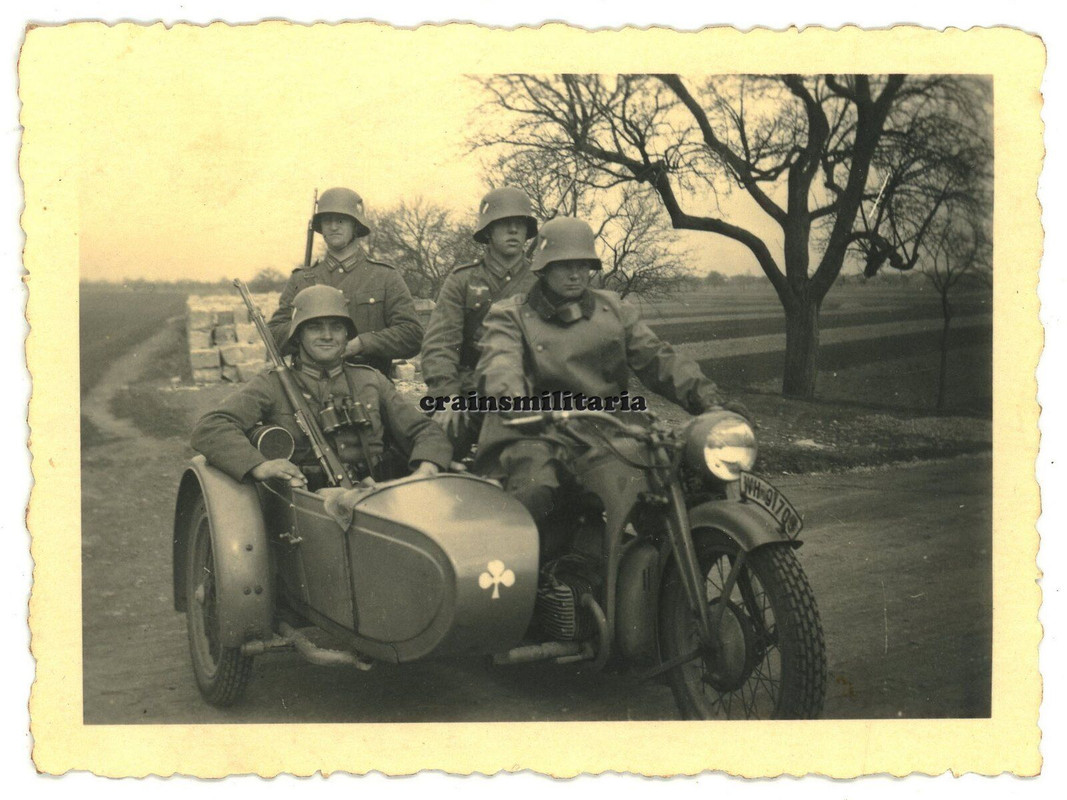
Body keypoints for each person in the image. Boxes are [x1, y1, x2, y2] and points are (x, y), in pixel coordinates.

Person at [474, 216, 733, 540]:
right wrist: (514, 402)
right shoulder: (510, 314)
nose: (575, 273)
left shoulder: (613, 308)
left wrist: (709, 399)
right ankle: (537, 577)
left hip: (608, 425)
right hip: (537, 429)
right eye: (564, 264)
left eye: (583, 264)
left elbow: (657, 357)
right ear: (543, 268)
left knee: (673, 478)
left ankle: (665, 564)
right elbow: (502, 363)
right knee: (536, 489)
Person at [194, 285, 451, 489]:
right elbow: (211, 427)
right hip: (308, 505)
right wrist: (259, 466)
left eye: (336, 327)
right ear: (298, 336)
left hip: (376, 498)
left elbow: (424, 430)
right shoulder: (272, 384)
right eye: (315, 327)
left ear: (346, 335)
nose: (327, 335)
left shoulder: (371, 380)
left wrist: (428, 465)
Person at [420, 186, 539, 457]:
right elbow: (440, 344)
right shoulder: (462, 280)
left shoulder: (541, 282)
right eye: (504, 224)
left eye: (519, 224)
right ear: (488, 232)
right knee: (437, 445)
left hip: (526, 391)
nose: (513, 231)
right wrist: (447, 396)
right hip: (468, 390)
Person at [267, 186, 423, 377]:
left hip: (371, 385)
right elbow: (274, 337)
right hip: (310, 389)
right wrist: (308, 335)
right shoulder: (302, 279)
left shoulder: (385, 276)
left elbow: (412, 335)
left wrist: (363, 343)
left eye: (341, 220)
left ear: (355, 226)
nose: (333, 226)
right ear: (321, 228)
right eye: (327, 220)